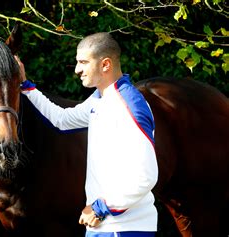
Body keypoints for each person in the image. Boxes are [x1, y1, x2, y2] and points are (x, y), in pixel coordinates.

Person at [16, 32, 158, 236]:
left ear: (105, 64)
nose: (77, 70)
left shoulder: (129, 105)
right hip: (102, 226)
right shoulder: (100, 99)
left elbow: (146, 176)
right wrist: (27, 87)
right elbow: (62, 119)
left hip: (124, 228)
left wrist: (100, 209)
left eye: (83, 62)